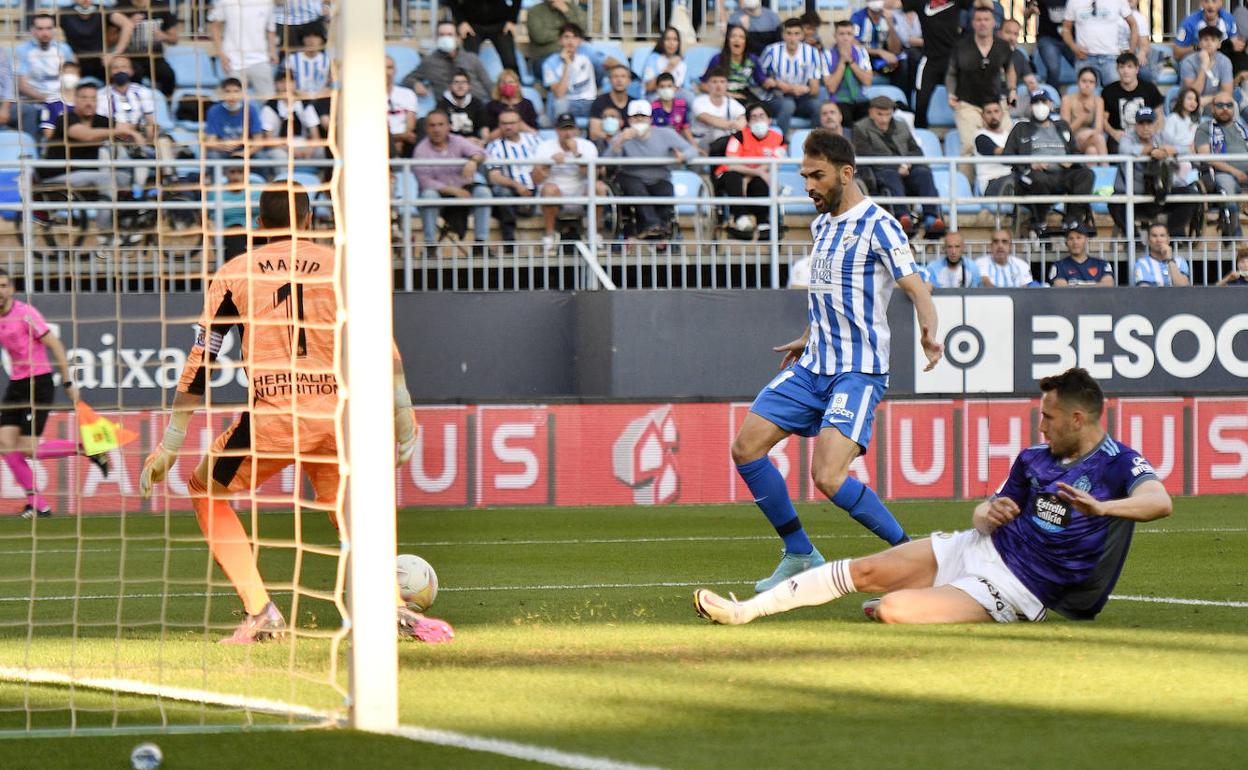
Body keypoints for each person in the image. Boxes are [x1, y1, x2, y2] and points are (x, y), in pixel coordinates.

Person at [138, 186, 450, 644]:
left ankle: (261, 611)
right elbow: (377, 339)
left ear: (259, 226)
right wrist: (402, 407)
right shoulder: (340, 266)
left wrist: (172, 440)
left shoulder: (234, 272)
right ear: (310, 220)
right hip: (340, 416)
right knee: (350, 512)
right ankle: (394, 609)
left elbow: (201, 358)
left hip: (275, 417)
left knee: (204, 488)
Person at [696, 367, 1172, 626]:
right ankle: (744, 612)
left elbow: (1158, 501)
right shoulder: (1033, 458)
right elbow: (983, 513)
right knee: (864, 570)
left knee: (892, 610)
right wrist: (989, 513)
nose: (1039, 426)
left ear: (1077, 421)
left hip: (1017, 588)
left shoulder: (1118, 463)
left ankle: (925, 596)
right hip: (976, 547)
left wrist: (1104, 507)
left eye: (1047, 418)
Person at [727, 129, 942, 593]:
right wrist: (807, 337)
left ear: (846, 174)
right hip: (813, 366)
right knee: (745, 448)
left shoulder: (881, 225)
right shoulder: (821, 225)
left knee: (827, 475)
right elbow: (828, 294)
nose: (808, 186)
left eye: (816, 176)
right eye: (804, 175)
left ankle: (912, 557)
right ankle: (800, 553)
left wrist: (929, 329)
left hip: (857, 370)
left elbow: (916, 287)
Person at [0, 270, 109, 519]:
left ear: (11, 289)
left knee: (28, 448)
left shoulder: (25, 314)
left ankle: (85, 449)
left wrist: (68, 381)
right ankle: (38, 505)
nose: (0, 291)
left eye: (4, 285)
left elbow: (55, 345)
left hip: (38, 383)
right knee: (5, 445)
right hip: (16, 384)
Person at [37, 82, 142, 247]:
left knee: (123, 177)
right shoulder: (65, 118)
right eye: (84, 98)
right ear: (76, 100)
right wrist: (120, 131)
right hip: (57, 176)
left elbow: (126, 127)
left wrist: (138, 133)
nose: (89, 102)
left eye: (93, 98)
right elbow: (85, 135)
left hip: (87, 177)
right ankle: (105, 235)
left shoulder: (101, 120)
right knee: (106, 178)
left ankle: (128, 226)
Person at [852, 95, 946, 237]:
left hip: (906, 169)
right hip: (881, 171)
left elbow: (915, 150)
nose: (884, 119)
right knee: (890, 174)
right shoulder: (860, 128)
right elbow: (867, 155)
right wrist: (897, 166)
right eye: (880, 114)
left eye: (888, 114)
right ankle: (903, 217)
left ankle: (931, 218)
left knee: (923, 173)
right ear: (871, 112)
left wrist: (909, 164)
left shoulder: (902, 125)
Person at [1002, 90, 1094, 232]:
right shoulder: (1021, 128)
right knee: (1039, 179)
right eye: (1036, 102)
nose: (1040, 106)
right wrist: (1030, 164)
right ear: (1030, 107)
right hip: (1034, 174)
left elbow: (1076, 152)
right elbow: (1007, 156)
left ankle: (1072, 221)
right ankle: (1039, 220)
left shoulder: (1062, 126)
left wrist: (1071, 161)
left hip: (1063, 173)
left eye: (1043, 102)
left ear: (1051, 105)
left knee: (1086, 174)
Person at [604, 99, 696, 240]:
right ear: (629, 120)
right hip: (631, 176)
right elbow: (606, 160)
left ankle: (663, 230)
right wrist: (620, 142)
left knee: (666, 190)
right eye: (635, 117)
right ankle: (653, 225)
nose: (639, 120)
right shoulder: (621, 136)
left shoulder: (665, 133)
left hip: (659, 178)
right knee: (635, 187)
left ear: (650, 119)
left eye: (643, 117)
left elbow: (692, 150)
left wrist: (684, 156)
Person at [1111, 107, 1199, 237]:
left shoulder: (1161, 135)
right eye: (1141, 123)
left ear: (1155, 124)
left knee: (1191, 195)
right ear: (1136, 125)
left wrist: (1170, 150)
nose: (1146, 127)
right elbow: (1125, 149)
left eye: (1149, 123)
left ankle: (1172, 237)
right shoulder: (1128, 137)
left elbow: (1186, 148)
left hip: (1161, 193)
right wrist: (1152, 150)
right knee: (1114, 202)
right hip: (1135, 197)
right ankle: (1134, 240)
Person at [413, 109, 490, 254]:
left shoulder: (458, 141)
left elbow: (483, 153)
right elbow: (425, 182)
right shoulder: (420, 150)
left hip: (462, 189)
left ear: (449, 126)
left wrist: (473, 161)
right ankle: (430, 245)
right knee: (428, 195)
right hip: (440, 194)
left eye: (440, 124)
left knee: (483, 192)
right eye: (432, 125)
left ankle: (481, 244)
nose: (436, 129)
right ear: (426, 128)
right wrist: (456, 191)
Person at [532, 112, 607, 254]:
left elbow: (593, 177)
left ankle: (593, 233)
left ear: (577, 130)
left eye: (570, 129)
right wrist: (548, 164)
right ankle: (549, 236)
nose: (567, 133)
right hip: (555, 193)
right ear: (556, 130)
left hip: (581, 192)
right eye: (563, 129)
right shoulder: (544, 147)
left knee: (599, 187)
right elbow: (535, 180)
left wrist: (577, 155)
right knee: (549, 189)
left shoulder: (587, 146)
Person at [947, 5, 1016, 158]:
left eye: (986, 19)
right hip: (968, 104)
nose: (982, 23)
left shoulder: (1002, 46)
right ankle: (964, 182)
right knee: (969, 147)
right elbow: (951, 73)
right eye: (978, 20)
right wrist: (951, 93)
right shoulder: (961, 46)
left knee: (1010, 143)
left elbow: (1010, 70)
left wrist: (1012, 90)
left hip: (996, 104)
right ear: (973, 23)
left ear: (993, 22)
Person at [714, 102, 786, 238]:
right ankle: (741, 219)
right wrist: (757, 172)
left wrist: (750, 176)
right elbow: (730, 164)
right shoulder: (738, 137)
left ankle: (763, 223)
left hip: (756, 177)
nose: (758, 120)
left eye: (762, 116)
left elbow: (774, 163)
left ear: (769, 120)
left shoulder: (779, 139)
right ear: (748, 122)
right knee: (733, 177)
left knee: (761, 181)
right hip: (731, 176)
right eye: (754, 117)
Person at [903, 0, 963, 129]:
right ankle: (920, 134)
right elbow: (892, 4)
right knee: (921, 102)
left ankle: (964, 132)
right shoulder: (921, 3)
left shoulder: (957, 2)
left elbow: (983, 4)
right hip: (930, 61)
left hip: (954, 62)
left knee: (964, 101)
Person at [484, 107, 540, 243]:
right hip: (511, 189)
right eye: (504, 123)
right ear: (499, 125)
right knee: (502, 192)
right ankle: (509, 239)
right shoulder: (495, 146)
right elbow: (494, 176)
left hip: (536, 186)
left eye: (512, 123)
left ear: (520, 123)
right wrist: (517, 185)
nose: (508, 127)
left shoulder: (533, 140)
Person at [15, 14, 76, 137]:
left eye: (49, 28)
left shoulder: (64, 49)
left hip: (62, 99)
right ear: (32, 30)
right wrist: (47, 98)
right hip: (33, 100)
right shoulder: (21, 50)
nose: (45, 33)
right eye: (40, 28)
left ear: (54, 30)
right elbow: (22, 85)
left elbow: (74, 76)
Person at [1194, 96, 1248, 236]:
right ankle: (1233, 233)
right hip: (1218, 173)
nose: (1225, 108)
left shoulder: (1242, 128)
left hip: (1244, 174)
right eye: (1220, 105)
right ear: (1213, 108)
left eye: (1229, 105)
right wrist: (1235, 171)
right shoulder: (1206, 128)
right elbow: (1205, 156)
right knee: (1227, 184)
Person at [760, 18, 823, 135]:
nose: (792, 38)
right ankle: (781, 142)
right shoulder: (771, 51)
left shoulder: (811, 53)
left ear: (802, 35)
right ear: (783, 35)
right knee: (788, 105)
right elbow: (760, 78)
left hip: (802, 98)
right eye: (788, 33)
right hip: (776, 96)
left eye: (796, 34)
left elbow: (815, 89)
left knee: (818, 107)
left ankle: (813, 141)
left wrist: (805, 89)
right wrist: (780, 85)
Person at [406, 20, 492, 104]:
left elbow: (488, 84)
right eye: (441, 35)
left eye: (450, 35)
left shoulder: (471, 58)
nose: (445, 38)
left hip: (477, 104)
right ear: (436, 38)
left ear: (458, 38)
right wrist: (415, 84)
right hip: (447, 108)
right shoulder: (429, 62)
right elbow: (407, 79)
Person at [208, 0, 278, 99]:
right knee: (232, 101)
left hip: (260, 59)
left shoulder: (267, 2)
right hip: (233, 61)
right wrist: (221, 54)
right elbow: (215, 27)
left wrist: (272, 51)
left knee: (269, 100)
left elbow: (271, 29)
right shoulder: (225, 1)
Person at [1062, 0, 1137, 86]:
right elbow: (1066, 29)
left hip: (1112, 58)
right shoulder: (1074, 1)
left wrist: (1130, 52)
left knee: (1114, 95)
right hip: (1085, 58)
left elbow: (1133, 24)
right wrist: (1074, 47)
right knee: (1087, 98)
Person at [115, 0, 180, 99]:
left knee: (168, 74)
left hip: (155, 58)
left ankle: (167, 104)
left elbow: (174, 39)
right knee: (134, 74)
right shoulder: (121, 7)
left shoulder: (161, 7)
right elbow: (109, 39)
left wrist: (164, 36)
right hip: (130, 58)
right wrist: (127, 25)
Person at [59, 0, 133, 85]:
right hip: (75, 61)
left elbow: (127, 24)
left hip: (101, 61)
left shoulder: (102, 9)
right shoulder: (64, 12)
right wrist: (67, 54)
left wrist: (115, 53)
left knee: (119, 67)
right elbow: (48, 28)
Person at [1100, 53, 1163, 152]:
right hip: (1120, 137)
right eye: (1122, 67)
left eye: (1130, 67)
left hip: (1147, 135)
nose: (1125, 71)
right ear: (1117, 70)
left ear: (1137, 69)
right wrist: (1113, 133)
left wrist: (1153, 132)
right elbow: (1103, 119)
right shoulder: (1108, 91)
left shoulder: (1149, 88)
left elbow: (1159, 116)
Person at [541, 23, 597, 124]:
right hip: (567, 103)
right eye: (566, 37)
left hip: (590, 102)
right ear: (560, 40)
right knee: (559, 105)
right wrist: (567, 64)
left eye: (575, 37)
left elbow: (609, 62)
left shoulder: (588, 54)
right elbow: (559, 94)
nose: (571, 41)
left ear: (580, 41)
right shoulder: (549, 63)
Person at [704, 25, 770, 108]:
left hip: (744, 94)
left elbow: (762, 81)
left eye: (741, 37)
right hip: (722, 95)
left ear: (746, 42)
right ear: (728, 40)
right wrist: (728, 94)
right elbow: (703, 85)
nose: (737, 39)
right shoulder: (717, 59)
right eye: (733, 36)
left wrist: (773, 82)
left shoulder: (753, 59)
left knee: (760, 109)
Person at [449, 0, 522, 75]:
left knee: (510, 62)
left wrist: (512, 20)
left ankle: (513, 86)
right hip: (471, 25)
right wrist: (461, 21)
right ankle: (467, 86)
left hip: (501, 25)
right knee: (467, 63)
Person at [822, 19, 873, 125]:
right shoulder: (826, 55)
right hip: (838, 100)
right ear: (835, 36)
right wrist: (841, 62)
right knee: (844, 117)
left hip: (861, 99)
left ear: (853, 36)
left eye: (849, 34)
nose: (845, 38)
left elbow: (868, 81)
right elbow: (831, 88)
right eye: (841, 34)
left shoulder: (862, 52)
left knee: (869, 119)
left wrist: (851, 61)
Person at [204, 78, 267, 161]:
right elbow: (210, 142)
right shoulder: (214, 111)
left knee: (260, 156)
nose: (232, 95)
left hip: (245, 149)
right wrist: (222, 146)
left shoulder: (251, 110)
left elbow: (258, 142)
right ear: (222, 93)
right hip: (223, 151)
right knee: (212, 155)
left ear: (242, 93)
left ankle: (255, 175)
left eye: (236, 91)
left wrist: (245, 153)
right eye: (228, 91)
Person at [285, 28, 334, 128]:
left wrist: (321, 94)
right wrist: (299, 94)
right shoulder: (292, 59)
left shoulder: (327, 60)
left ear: (321, 40)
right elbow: (285, 82)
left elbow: (333, 83)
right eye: (308, 36)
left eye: (316, 37)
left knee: (327, 121)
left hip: (322, 97)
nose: (312, 40)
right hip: (299, 98)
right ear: (303, 39)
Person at [850, 0, 904, 87]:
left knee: (901, 64)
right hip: (865, 58)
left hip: (882, 64)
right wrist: (879, 52)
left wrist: (890, 25)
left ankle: (899, 97)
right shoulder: (858, 17)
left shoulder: (890, 18)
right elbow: (853, 44)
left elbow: (895, 50)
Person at [524, 0, 588, 74]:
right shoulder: (535, 11)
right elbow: (539, 36)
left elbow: (582, 30)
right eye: (565, 37)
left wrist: (566, 11)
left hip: (575, 54)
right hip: (546, 57)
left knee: (593, 58)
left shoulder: (572, 8)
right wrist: (565, 34)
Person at [691, 66, 747, 151]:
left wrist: (740, 123)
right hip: (701, 142)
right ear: (708, 84)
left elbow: (743, 118)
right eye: (714, 82)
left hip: (724, 141)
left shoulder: (731, 102)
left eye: (722, 82)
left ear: (726, 85)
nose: (718, 85)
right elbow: (710, 119)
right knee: (719, 131)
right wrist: (732, 124)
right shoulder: (699, 101)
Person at [1180, 26, 1235, 110]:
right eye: (1205, 39)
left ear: (1219, 44)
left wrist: (1209, 99)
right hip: (1190, 105)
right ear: (1199, 43)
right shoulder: (1188, 62)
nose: (1209, 43)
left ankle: (1231, 124)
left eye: (1213, 40)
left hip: (1215, 103)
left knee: (1233, 105)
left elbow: (1227, 93)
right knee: (1194, 106)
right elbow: (1192, 95)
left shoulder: (1225, 61)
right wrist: (1204, 66)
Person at [1060, 67, 1109, 158]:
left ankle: (1097, 171)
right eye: (1084, 81)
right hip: (1071, 139)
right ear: (1078, 82)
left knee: (1092, 151)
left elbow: (1099, 128)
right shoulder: (1067, 100)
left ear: (1095, 85)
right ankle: (1106, 168)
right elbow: (1066, 130)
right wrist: (1084, 115)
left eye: (1091, 82)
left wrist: (1089, 133)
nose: (1087, 85)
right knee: (1099, 139)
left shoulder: (1098, 100)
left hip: (1091, 137)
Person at [1049, 222, 1115, 286]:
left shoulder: (1102, 264)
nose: (1075, 242)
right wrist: (1094, 285)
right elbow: (1061, 289)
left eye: (1079, 237)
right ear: (1066, 243)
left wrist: (1076, 285)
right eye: (1071, 238)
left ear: (1086, 240)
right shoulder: (1059, 266)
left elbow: (1108, 285)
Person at [1173, 0, 1240, 60]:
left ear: (1221, 2)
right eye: (1206, 1)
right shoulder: (1189, 22)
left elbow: (1236, 44)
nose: (1210, 5)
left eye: (1214, 1)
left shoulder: (1229, 19)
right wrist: (1197, 48)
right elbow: (1177, 52)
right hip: (1197, 60)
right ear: (1201, 2)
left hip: (1223, 60)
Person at [1162, 87, 1202, 185]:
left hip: (1192, 157)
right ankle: (1178, 188)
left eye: (1195, 100)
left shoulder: (1195, 122)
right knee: (1186, 165)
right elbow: (1167, 140)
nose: (1193, 102)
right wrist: (1186, 147)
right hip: (1177, 156)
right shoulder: (1173, 118)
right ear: (1181, 100)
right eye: (1189, 98)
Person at [438, 69, 490, 143]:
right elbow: (440, 132)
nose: (460, 86)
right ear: (450, 86)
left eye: (463, 82)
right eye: (456, 82)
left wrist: (483, 142)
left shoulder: (477, 104)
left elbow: (484, 128)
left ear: (469, 86)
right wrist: (462, 142)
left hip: (472, 144)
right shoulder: (442, 105)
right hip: (450, 145)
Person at [485, 69, 539, 139]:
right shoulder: (491, 106)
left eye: (510, 82)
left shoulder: (527, 104)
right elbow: (489, 136)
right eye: (503, 83)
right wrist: (508, 127)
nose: (507, 85)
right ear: (498, 86)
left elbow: (535, 132)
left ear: (517, 84)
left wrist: (520, 125)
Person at [973, 100, 1013, 195]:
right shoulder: (980, 137)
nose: (993, 116)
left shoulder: (1009, 135)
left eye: (996, 111)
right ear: (983, 116)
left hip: (1011, 179)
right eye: (989, 112)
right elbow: (1000, 152)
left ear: (1002, 114)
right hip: (990, 184)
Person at [589, 64, 634, 146]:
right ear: (609, 80)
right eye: (615, 76)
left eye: (623, 76)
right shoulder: (600, 101)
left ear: (629, 81)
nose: (619, 80)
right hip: (606, 145)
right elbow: (594, 133)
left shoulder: (634, 103)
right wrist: (617, 138)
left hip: (629, 144)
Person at [385, 56, 418, 157]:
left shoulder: (407, 94)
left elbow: (410, 124)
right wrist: (398, 138)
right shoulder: (367, 96)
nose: (386, 72)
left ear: (395, 70)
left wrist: (402, 138)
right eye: (382, 68)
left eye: (389, 68)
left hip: (406, 140)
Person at [642, 27, 688, 100]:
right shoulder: (653, 59)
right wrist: (669, 67)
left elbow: (685, 87)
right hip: (657, 95)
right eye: (668, 39)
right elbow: (649, 87)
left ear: (678, 43)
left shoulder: (682, 62)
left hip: (677, 96)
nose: (671, 43)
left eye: (675, 39)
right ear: (662, 42)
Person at [38, 62, 80, 140]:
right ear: (59, 76)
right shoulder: (50, 103)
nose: (69, 76)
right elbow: (48, 133)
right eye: (65, 72)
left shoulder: (85, 102)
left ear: (79, 77)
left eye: (72, 72)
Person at [651, 72, 694, 144]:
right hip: (660, 143)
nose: (666, 89)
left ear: (675, 88)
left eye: (669, 86)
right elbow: (653, 132)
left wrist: (694, 145)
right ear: (657, 89)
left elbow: (685, 126)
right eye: (662, 87)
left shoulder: (682, 105)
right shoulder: (652, 108)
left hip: (678, 142)